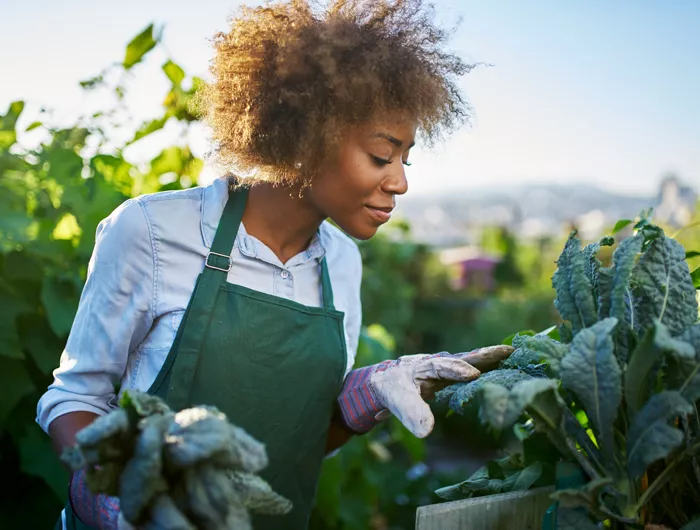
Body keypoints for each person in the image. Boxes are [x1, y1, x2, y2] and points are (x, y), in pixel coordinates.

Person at [37, 1, 496, 529]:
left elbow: (296, 443)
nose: (400, 182)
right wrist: (109, 498)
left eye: (405, 159)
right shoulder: (154, 231)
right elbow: (75, 397)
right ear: (306, 137)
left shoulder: (342, 263)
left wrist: (361, 401)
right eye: (380, 156)